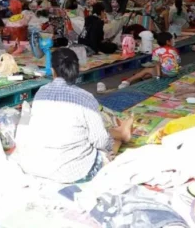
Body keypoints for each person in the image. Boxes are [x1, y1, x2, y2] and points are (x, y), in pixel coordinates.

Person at [19, 48, 133, 183]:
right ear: (77, 70)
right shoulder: (85, 97)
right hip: (73, 172)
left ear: (53, 70)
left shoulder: (41, 92)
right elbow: (100, 141)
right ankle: (122, 135)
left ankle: (121, 133)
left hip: (36, 166)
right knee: (105, 148)